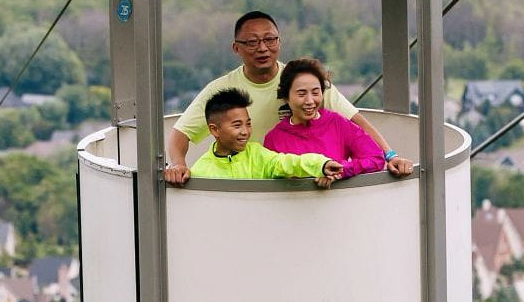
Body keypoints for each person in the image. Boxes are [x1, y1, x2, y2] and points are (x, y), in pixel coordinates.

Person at [163, 11, 388, 184]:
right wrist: (179, 165)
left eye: (270, 39)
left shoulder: (300, 80)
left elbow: (357, 123)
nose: (263, 48)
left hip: (299, 181)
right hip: (253, 185)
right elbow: (180, 134)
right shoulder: (221, 89)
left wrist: (390, 155)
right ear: (236, 48)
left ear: (279, 42)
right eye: (252, 42)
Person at [264, 58, 414, 179]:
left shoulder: (337, 123)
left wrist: (340, 170)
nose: (310, 101)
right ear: (286, 97)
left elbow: (375, 158)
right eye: (301, 94)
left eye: (316, 93)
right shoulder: (274, 138)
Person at [173, 89, 340, 186]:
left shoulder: (258, 154)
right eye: (237, 125)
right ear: (214, 130)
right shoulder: (200, 172)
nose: (245, 131)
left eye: (248, 124)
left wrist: (321, 164)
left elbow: (287, 163)